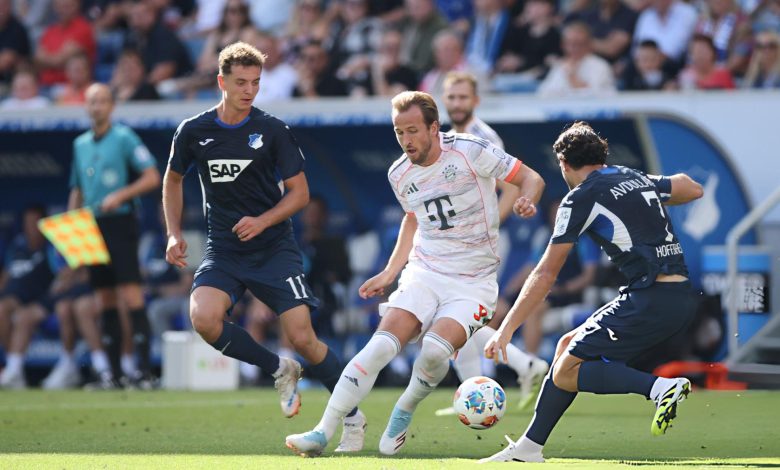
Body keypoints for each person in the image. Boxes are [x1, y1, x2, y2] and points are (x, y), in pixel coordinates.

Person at [285, 90, 545, 457]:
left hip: (473, 282)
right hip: (425, 272)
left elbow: (531, 178)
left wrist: (527, 199)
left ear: (434, 128)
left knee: (435, 352)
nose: (406, 140)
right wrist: (390, 271)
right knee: (379, 346)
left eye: (412, 131)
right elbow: (412, 219)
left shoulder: (471, 150)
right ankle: (322, 430)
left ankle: (404, 408)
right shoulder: (399, 173)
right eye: (398, 132)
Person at [162, 41, 365, 452]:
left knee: (303, 337)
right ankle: (279, 368)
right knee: (203, 318)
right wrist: (173, 232)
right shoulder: (194, 131)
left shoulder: (272, 130)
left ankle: (354, 418)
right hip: (225, 249)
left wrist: (263, 220)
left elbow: (300, 193)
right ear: (221, 82)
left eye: (255, 82)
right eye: (241, 82)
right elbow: (173, 180)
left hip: (273, 248)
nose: (249, 90)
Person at [479, 121, 703, 463]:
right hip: (675, 295)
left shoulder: (579, 198)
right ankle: (529, 448)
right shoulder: (633, 176)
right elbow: (693, 188)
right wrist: (645, 188)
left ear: (563, 164)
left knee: (565, 372)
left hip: (650, 299)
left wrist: (506, 329)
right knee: (566, 346)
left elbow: (545, 273)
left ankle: (660, 388)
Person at [435, 71, 549, 415]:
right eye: (452, 97)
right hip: (454, 241)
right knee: (458, 314)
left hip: (475, 243)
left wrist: (488, 225)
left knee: (454, 312)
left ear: (476, 100)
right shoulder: (445, 135)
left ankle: (507, 373)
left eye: (463, 97)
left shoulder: (484, 137)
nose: (457, 104)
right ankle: (497, 379)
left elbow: (511, 185)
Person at [68, 83, 160, 388]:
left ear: (111, 106)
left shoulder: (124, 137)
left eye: (102, 101)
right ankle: (115, 374)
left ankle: (144, 372)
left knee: (131, 294)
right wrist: (71, 226)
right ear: (86, 106)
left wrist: (121, 195)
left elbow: (151, 176)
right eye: (92, 101)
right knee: (103, 297)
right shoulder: (80, 144)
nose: (97, 106)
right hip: (91, 224)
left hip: (120, 222)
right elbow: (77, 189)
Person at [0, 205, 56, 388]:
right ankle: (13, 370)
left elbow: (63, 277)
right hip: (14, 297)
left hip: (41, 300)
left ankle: (13, 371)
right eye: (27, 223)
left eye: (35, 223)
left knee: (21, 316)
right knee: (2, 309)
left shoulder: (52, 247)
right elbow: (6, 276)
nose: (31, 227)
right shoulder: (17, 246)